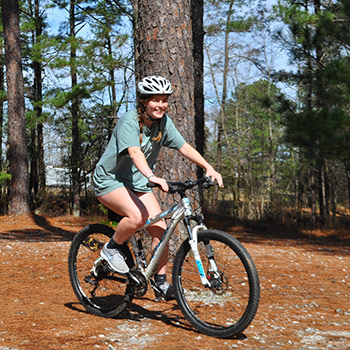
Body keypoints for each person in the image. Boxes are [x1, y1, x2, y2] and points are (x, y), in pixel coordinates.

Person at [93, 75, 223, 300]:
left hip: (137, 183)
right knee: (137, 217)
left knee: (160, 230)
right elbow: (134, 152)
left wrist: (208, 167)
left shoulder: (163, 122)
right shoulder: (130, 121)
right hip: (110, 180)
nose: (161, 105)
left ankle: (160, 283)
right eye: (155, 100)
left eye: (164, 100)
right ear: (143, 101)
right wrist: (152, 176)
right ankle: (111, 248)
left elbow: (183, 147)